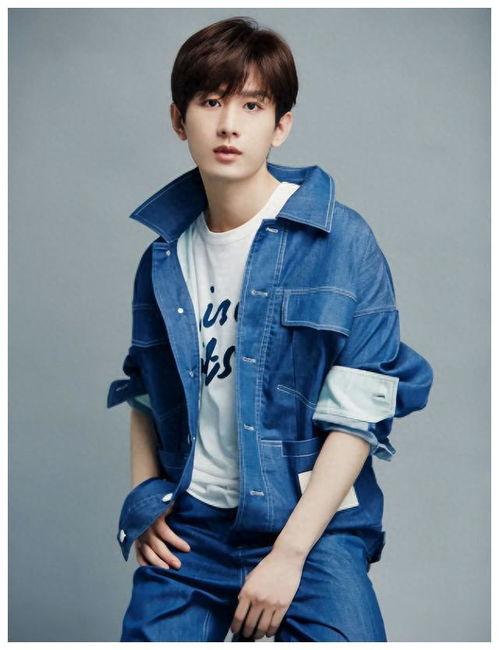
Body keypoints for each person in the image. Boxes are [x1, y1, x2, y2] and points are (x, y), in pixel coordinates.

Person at [107, 16, 434, 642]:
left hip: (311, 527)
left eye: (252, 106)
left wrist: (288, 555)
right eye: (211, 103)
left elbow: (358, 416)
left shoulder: (342, 241)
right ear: (179, 120)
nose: (229, 125)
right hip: (192, 528)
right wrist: (145, 499)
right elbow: (144, 387)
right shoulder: (163, 258)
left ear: (280, 125)